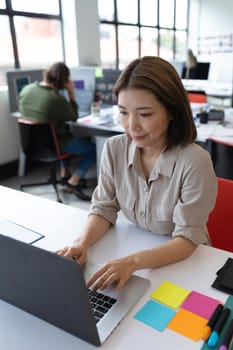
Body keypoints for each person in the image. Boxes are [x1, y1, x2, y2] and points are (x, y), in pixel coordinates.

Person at [57, 56, 217, 291]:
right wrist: (81, 244)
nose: (131, 126)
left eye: (145, 114)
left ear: (171, 111)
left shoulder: (194, 161)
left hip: (187, 263)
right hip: (140, 249)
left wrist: (132, 262)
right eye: (123, 112)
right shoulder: (114, 148)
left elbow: (187, 239)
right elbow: (104, 208)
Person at [19, 62, 96, 201]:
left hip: (31, 145)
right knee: (93, 149)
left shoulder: (26, 90)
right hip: (55, 145)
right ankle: (73, 181)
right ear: (64, 80)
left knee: (62, 133)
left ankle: (64, 174)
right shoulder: (55, 99)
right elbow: (73, 116)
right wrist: (71, 93)